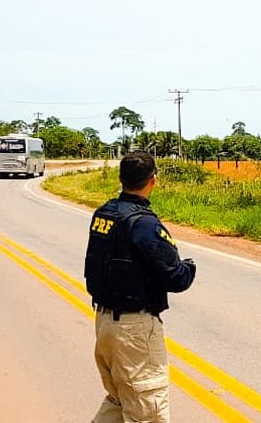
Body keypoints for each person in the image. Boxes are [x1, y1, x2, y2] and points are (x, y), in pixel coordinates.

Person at [84, 151, 197, 423]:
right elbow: (176, 278)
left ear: (121, 179)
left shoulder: (104, 214)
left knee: (119, 400)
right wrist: (190, 267)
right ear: (153, 180)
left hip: (105, 324)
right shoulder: (145, 223)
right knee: (148, 410)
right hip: (134, 329)